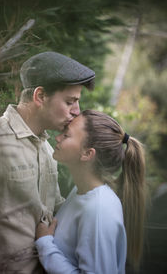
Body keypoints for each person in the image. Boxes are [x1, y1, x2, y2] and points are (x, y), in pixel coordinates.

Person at [0, 52, 95, 273]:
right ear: (40, 96)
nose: (76, 111)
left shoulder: (47, 148)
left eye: (77, 102)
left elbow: (51, 212)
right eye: (69, 101)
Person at [35, 110, 146, 274]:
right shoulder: (80, 192)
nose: (57, 137)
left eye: (66, 135)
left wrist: (45, 244)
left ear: (87, 154)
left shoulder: (99, 210)